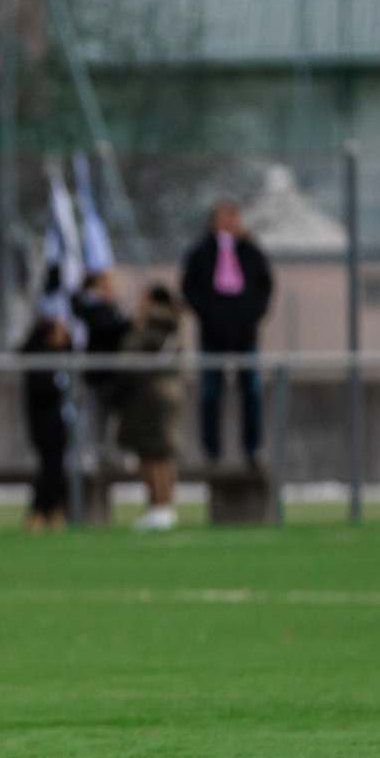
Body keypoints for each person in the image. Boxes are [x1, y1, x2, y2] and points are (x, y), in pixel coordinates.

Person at [179, 201, 273, 464]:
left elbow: (265, 286)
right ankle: (212, 450)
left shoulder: (252, 253)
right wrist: (209, 313)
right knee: (211, 393)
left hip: (245, 333)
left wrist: (251, 314)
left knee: (251, 391)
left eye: (233, 218)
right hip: (212, 334)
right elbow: (189, 288)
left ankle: (252, 448)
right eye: (224, 219)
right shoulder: (201, 253)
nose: (229, 224)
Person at [118, 286, 185, 531]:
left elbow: (129, 352)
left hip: (151, 393)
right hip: (170, 390)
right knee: (162, 452)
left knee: (153, 453)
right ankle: (164, 506)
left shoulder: (152, 325)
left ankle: (159, 506)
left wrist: (135, 327)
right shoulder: (173, 324)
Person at [19, 315, 73, 532]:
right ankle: (41, 510)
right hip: (45, 424)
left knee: (56, 468)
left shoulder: (61, 357)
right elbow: (44, 391)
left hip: (60, 423)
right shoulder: (38, 360)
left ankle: (53, 509)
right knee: (49, 469)